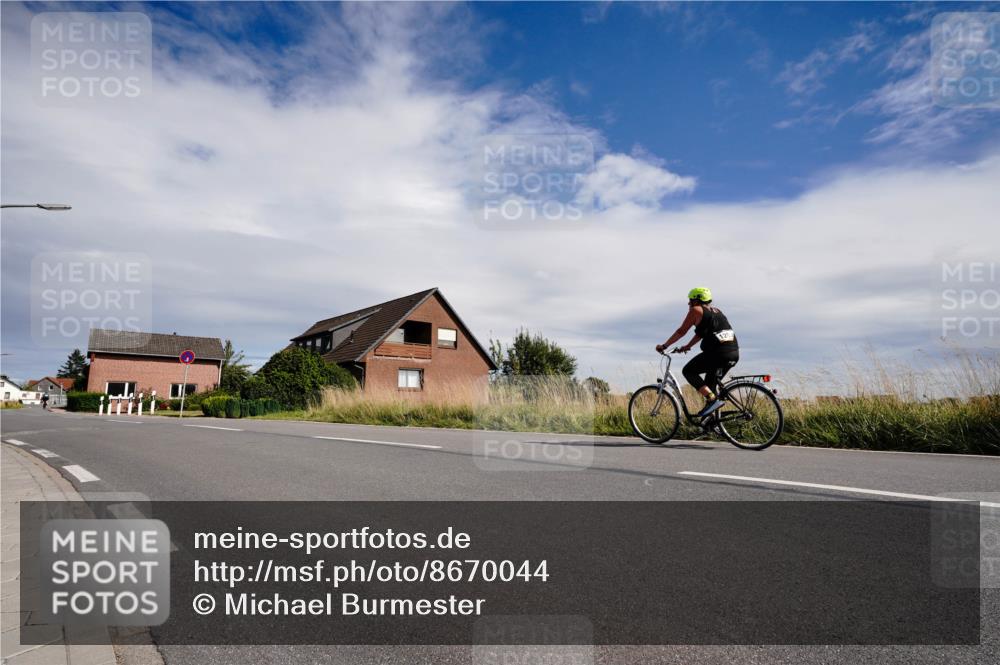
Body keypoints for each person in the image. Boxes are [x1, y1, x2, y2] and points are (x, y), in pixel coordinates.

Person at [655, 287, 739, 418]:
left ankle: (712, 400)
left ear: (697, 300)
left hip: (718, 354)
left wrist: (664, 346)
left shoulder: (696, 310)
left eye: (691, 300)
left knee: (688, 371)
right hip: (733, 353)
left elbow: (681, 331)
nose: (689, 303)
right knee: (709, 387)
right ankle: (712, 423)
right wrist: (688, 346)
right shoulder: (717, 311)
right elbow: (701, 333)